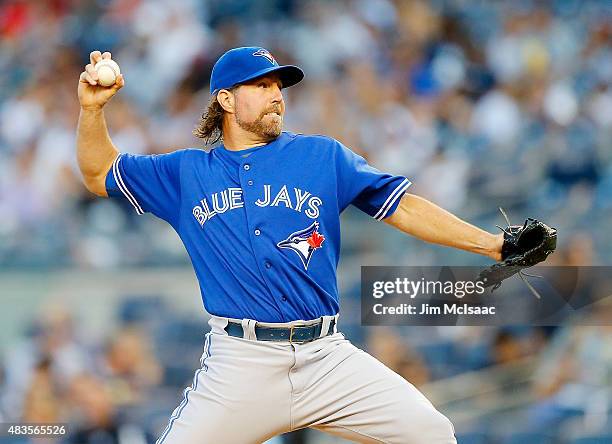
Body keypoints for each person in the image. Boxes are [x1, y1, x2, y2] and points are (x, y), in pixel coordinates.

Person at [77, 46, 504, 443]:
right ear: (226, 100)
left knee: (432, 433)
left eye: (279, 86)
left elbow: (403, 207)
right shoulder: (185, 173)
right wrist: (92, 111)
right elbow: (99, 174)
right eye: (261, 86)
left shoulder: (322, 157)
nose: (276, 95)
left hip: (326, 356)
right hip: (241, 365)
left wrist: (493, 245)